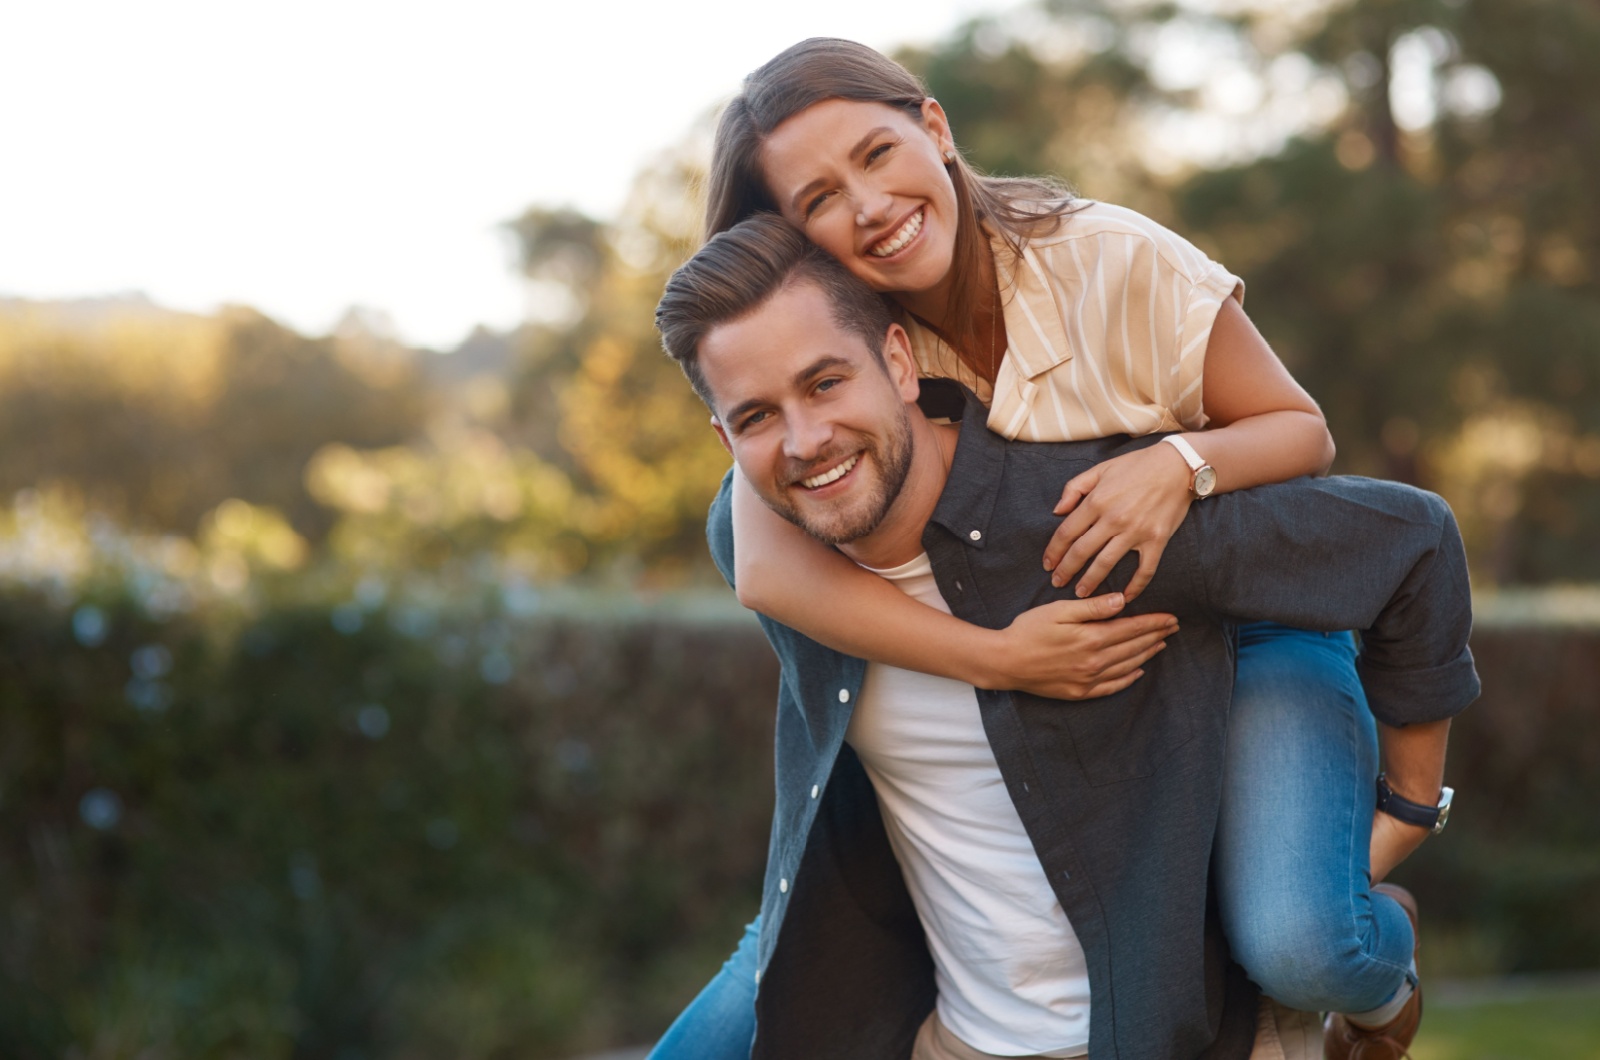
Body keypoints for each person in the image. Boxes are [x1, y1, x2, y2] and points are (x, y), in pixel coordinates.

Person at [654, 37, 1452, 1059]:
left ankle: (1381, 961)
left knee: (1300, 934)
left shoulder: (1104, 256)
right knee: (733, 1012)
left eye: (876, 153)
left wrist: (1177, 465)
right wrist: (1000, 658)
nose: (866, 204)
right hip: (1065, 649)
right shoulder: (852, 335)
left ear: (934, 128)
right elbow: (760, 563)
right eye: (817, 199)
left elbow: (1303, 435)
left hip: (1243, 605)